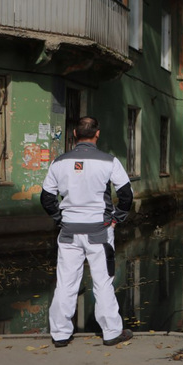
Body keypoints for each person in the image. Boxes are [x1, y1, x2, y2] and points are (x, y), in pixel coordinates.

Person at [40, 116, 134, 347]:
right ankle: (111, 332)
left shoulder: (58, 162)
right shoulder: (109, 162)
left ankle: (60, 334)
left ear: (74, 134)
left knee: (66, 282)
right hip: (99, 232)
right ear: (97, 133)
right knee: (102, 282)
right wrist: (116, 219)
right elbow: (126, 196)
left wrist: (60, 218)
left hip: (69, 232)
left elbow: (47, 198)